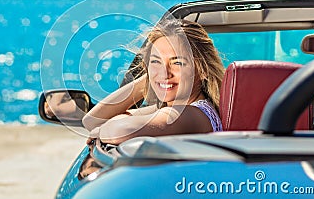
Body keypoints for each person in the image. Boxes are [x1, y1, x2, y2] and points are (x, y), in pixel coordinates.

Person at [82, 18, 225, 145]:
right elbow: (91, 120)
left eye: (178, 63)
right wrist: (151, 78)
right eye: (156, 61)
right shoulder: (171, 108)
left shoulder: (192, 114)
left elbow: (122, 131)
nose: (165, 73)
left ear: (203, 70)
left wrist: (103, 130)